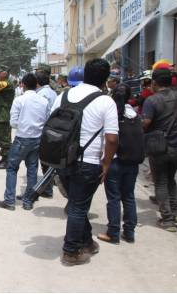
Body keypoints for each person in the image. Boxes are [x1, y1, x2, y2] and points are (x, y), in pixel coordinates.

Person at [50, 58, 119, 266]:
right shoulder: (106, 101)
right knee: (79, 207)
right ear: (106, 79)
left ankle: (87, 241)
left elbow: (51, 124)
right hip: (88, 163)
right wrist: (106, 164)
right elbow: (112, 138)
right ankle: (71, 251)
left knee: (77, 203)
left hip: (63, 160)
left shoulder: (63, 95)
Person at [143, 68, 177, 231]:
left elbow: (146, 122)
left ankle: (167, 219)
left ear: (154, 83)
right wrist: (176, 74)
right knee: (171, 179)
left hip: (160, 148)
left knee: (160, 182)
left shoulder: (152, 100)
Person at [0, 73, 49, 211]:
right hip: (37, 139)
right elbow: (47, 120)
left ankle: (9, 201)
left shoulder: (19, 100)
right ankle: (28, 201)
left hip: (22, 138)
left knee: (12, 168)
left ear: (23, 85)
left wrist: (24, 125)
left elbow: (13, 123)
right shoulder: (44, 101)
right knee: (32, 170)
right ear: (36, 84)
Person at [97, 83, 140, 244]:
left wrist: (104, 162)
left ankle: (113, 233)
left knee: (113, 198)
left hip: (114, 162)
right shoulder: (135, 115)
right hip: (132, 162)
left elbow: (109, 140)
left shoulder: (112, 114)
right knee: (129, 196)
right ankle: (129, 232)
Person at [36, 69, 58, 198]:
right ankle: (51, 182)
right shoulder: (52, 92)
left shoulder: (41, 94)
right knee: (49, 159)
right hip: (53, 127)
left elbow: (40, 114)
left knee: (44, 160)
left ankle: (47, 189)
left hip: (45, 129)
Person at [0, 68, 15, 170]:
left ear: (4, 74)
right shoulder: (3, 84)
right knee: (1, 139)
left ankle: (7, 161)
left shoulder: (7, 84)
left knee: (5, 140)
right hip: (0, 115)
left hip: (4, 116)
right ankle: (4, 158)